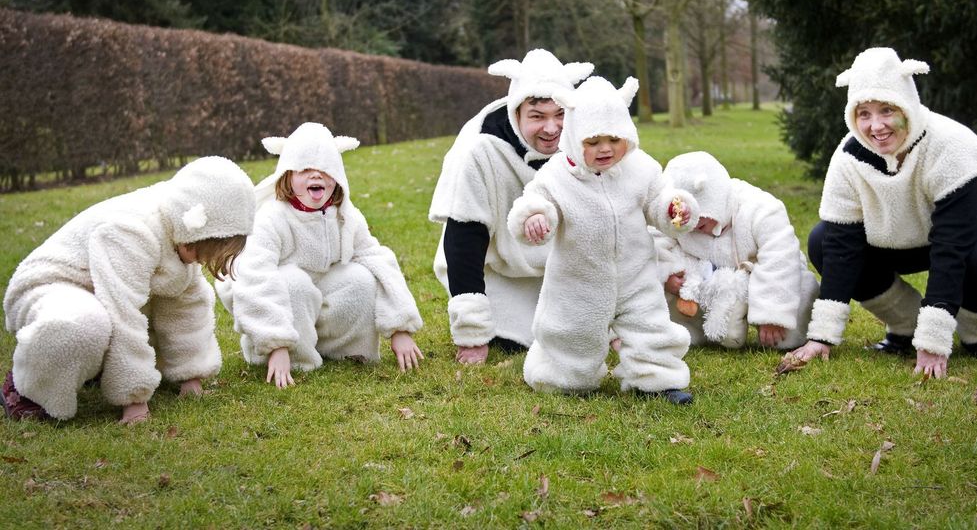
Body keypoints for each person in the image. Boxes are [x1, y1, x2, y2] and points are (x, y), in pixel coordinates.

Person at [785, 47, 977, 378]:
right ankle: (906, 325)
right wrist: (821, 336)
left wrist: (934, 340)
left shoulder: (950, 144)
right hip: (904, 231)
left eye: (887, 110)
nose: (876, 126)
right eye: (864, 114)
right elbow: (840, 246)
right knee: (822, 241)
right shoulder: (848, 157)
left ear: (906, 103)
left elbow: (952, 244)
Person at [2, 157, 255, 424]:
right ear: (192, 225)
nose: (200, 260)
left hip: (98, 290)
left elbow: (186, 306)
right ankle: (26, 388)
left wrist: (190, 375)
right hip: (49, 287)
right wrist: (134, 397)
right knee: (83, 327)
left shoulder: (178, 226)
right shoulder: (132, 230)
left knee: (173, 298)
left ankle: (91, 368)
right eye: (202, 251)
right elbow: (122, 313)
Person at [508, 75, 698, 404]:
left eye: (614, 138)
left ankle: (657, 377)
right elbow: (538, 203)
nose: (605, 149)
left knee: (650, 327)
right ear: (575, 136)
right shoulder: (556, 175)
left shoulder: (642, 168)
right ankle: (560, 375)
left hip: (635, 276)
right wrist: (535, 218)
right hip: (577, 281)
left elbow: (658, 204)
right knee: (571, 338)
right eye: (593, 141)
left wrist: (673, 210)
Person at [216, 123, 423, 388]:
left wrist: (399, 327)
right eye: (304, 169)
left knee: (360, 277)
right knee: (293, 281)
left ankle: (349, 352)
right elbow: (254, 278)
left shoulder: (345, 216)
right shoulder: (272, 217)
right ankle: (292, 357)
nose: (316, 176)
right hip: (279, 312)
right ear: (287, 174)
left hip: (318, 303)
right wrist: (274, 343)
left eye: (325, 169)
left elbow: (378, 261)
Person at [428, 49, 594, 364]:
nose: (551, 128)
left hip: (564, 274)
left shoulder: (586, 144)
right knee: (524, 340)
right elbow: (464, 239)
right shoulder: (481, 151)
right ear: (516, 113)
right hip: (500, 274)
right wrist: (472, 332)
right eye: (537, 116)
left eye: (560, 115)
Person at [652, 151, 817, 350]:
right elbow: (657, 240)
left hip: (760, 277)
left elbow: (780, 259)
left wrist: (772, 314)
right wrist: (668, 273)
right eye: (689, 224)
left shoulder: (762, 209)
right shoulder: (676, 221)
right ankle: (691, 329)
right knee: (666, 283)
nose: (695, 228)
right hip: (710, 282)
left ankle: (781, 318)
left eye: (701, 221)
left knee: (789, 327)